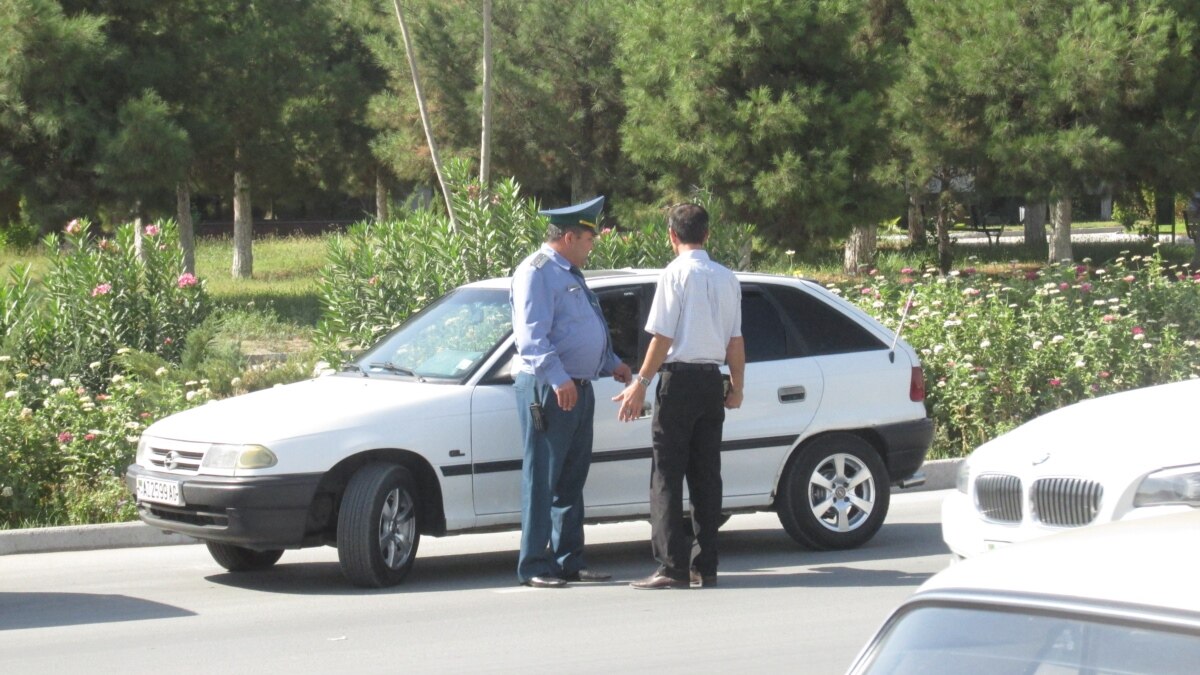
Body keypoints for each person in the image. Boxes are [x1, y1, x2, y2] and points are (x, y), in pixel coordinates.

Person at [613, 203, 744, 590]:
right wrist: (737, 385)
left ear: (672, 236)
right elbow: (736, 340)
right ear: (706, 234)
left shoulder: (675, 274)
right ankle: (707, 565)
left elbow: (663, 337)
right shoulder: (726, 278)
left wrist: (640, 382)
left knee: (667, 476)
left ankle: (671, 566)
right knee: (707, 477)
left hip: (678, 382)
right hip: (710, 382)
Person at [510, 195, 633, 588]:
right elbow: (532, 336)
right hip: (550, 387)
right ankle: (534, 565)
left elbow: (579, 326)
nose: (592, 245)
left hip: (577, 386)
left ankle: (569, 561)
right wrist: (559, 378)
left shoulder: (569, 272)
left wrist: (610, 362)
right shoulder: (538, 271)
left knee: (571, 480)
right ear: (567, 236)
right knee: (542, 477)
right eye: (588, 238)